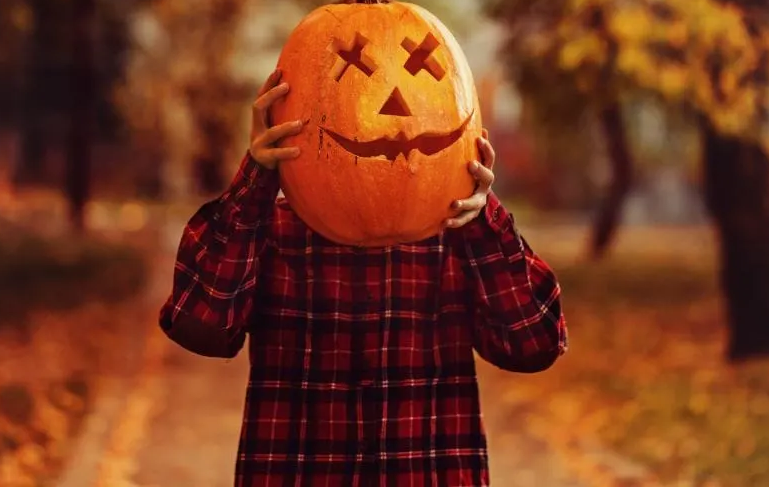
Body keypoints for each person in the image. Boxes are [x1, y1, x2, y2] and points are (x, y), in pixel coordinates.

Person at [159, 69, 568, 486]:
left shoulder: (459, 238)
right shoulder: (270, 230)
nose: (391, 113)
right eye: (350, 91)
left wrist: (483, 222)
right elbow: (201, 324)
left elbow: (534, 343)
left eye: (419, 77)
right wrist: (255, 183)